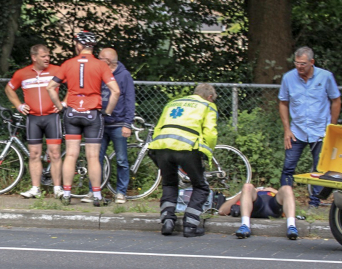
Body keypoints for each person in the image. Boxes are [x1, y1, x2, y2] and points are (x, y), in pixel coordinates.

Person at [46, 31, 120, 207]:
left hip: (72, 112)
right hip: (92, 113)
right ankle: (97, 196)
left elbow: (50, 87)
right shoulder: (101, 65)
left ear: (79, 45)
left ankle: (66, 193)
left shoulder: (68, 64)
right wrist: (107, 111)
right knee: (93, 156)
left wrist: (59, 106)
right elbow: (116, 91)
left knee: (71, 154)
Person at [147, 83, 218, 237]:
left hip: (162, 146)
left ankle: (167, 222)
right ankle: (190, 226)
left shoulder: (173, 103)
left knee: (169, 184)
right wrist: (207, 152)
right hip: (187, 148)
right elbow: (210, 133)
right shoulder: (207, 106)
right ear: (210, 97)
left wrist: (157, 148)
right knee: (201, 187)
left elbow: (158, 128)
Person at [279, 46, 341, 208]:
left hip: (320, 132)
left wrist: (332, 127)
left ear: (312, 62)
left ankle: (315, 203)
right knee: (288, 167)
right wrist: (287, 129)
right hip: (296, 131)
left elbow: (336, 100)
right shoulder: (288, 78)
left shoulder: (326, 77)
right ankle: (284, 203)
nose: (299, 67)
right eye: (297, 63)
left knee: (319, 169)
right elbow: (283, 103)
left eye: (303, 64)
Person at [4, 44, 63, 198]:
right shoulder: (22, 73)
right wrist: (19, 105)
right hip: (33, 118)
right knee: (34, 154)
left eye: (48, 55)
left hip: (52, 117)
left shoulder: (57, 70)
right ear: (34, 57)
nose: (47, 58)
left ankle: (57, 188)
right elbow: (9, 89)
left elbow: (74, 85)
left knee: (55, 153)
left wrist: (63, 103)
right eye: (43, 56)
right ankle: (35, 188)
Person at [81, 47, 135, 204]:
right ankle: (93, 191)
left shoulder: (124, 75)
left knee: (121, 160)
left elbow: (130, 100)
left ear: (108, 61)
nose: (97, 60)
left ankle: (121, 193)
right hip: (99, 123)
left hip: (118, 123)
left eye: (100, 58)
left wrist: (127, 124)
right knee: (95, 158)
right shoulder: (98, 73)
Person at [217, 184, 299, 240]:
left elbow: (288, 197)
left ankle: (291, 226)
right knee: (247, 186)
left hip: (272, 205)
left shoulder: (273, 193)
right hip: (256, 206)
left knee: (287, 188)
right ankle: (245, 226)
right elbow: (222, 211)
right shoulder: (248, 194)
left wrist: (274, 191)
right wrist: (242, 193)